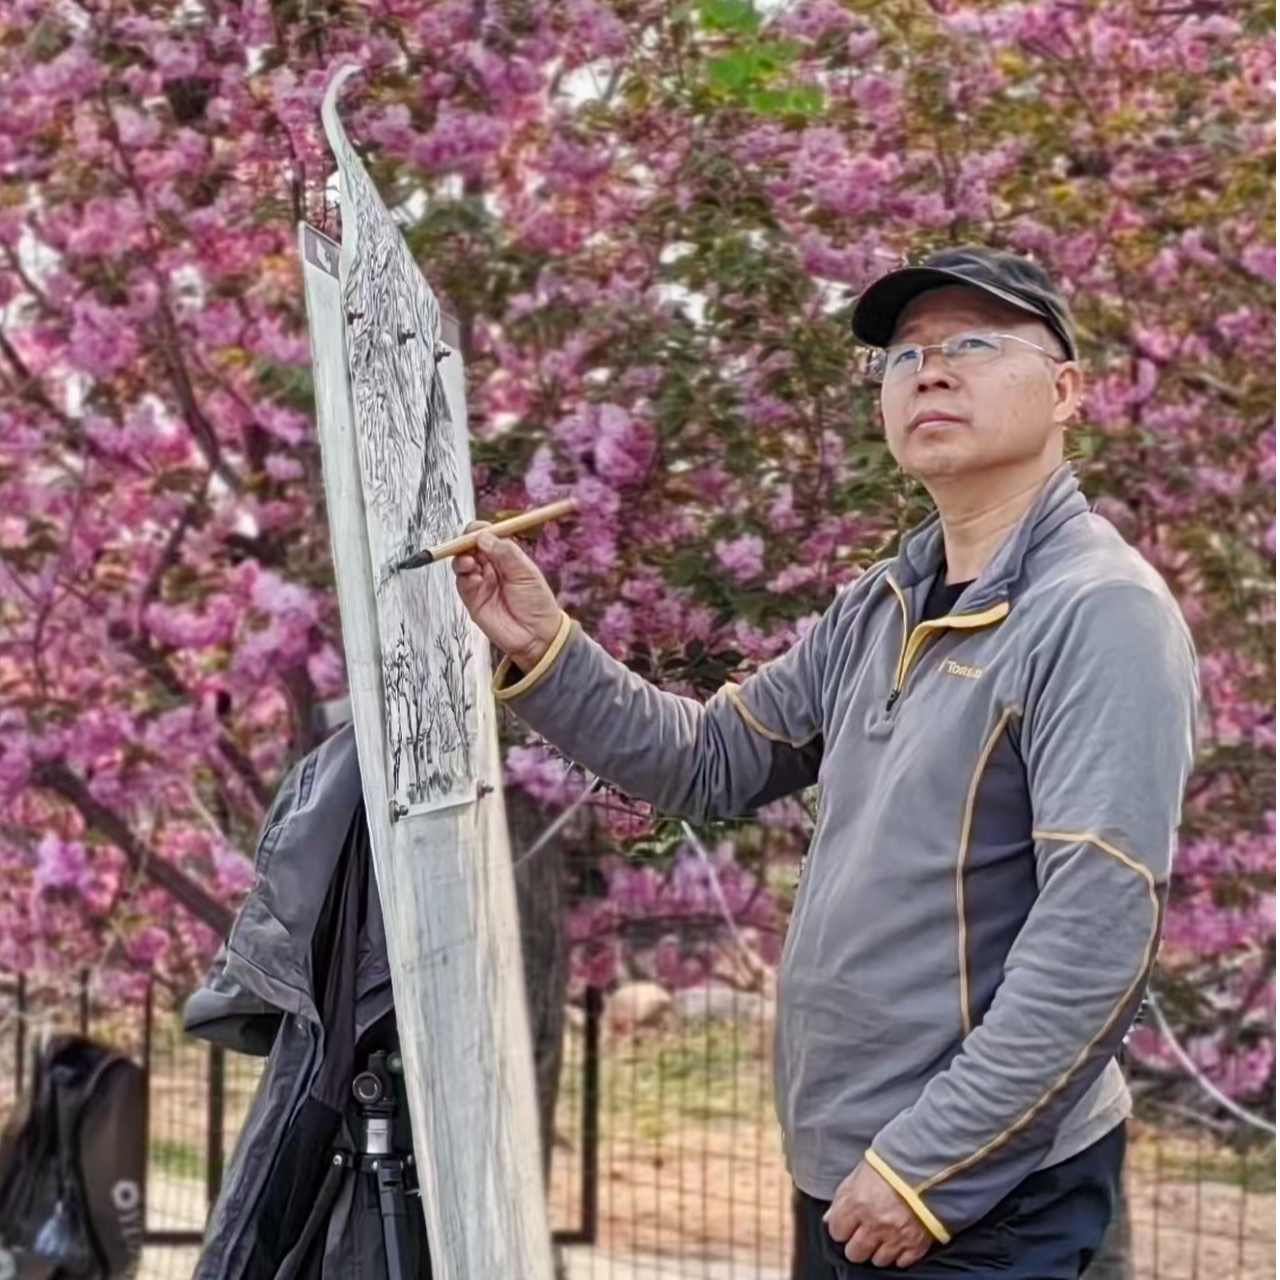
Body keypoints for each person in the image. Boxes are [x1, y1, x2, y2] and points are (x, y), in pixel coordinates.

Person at [452, 246, 1199, 1277]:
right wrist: (545, 646)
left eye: (973, 345)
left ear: (1065, 390)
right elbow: (707, 758)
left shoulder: (1097, 610)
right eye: (904, 356)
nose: (930, 373)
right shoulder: (878, 606)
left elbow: (1097, 929)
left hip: (977, 1193)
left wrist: (928, 1168)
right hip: (851, 1171)